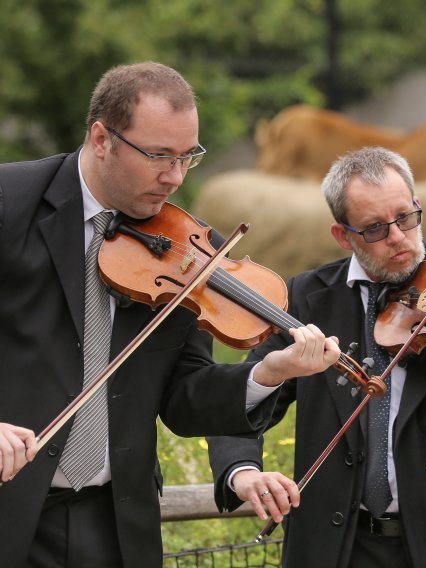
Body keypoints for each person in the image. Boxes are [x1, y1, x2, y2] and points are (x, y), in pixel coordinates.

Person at [0, 61, 341, 567]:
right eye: (159, 156)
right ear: (101, 138)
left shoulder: (190, 252)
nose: (174, 177)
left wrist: (267, 374)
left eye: (189, 157)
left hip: (114, 524)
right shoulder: (10, 202)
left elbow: (184, 397)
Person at [207, 146, 426, 568]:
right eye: (375, 229)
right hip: (335, 547)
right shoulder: (310, 299)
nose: (398, 237)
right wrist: (243, 471)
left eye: (405, 217)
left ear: (419, 207)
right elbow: (248, 391)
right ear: (343, 236)